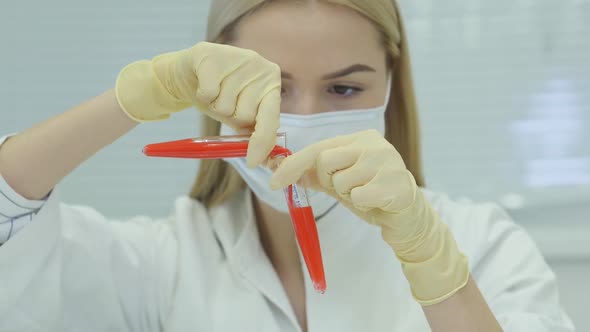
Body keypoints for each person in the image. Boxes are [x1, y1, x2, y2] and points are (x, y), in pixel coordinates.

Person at [0, 0, 575, 331]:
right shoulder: (163, 261)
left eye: (344, 89)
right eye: (269, 88)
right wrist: (138, 94)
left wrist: (434, 263)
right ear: (209, 91)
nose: (298, 122)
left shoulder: (483, 243)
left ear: (390, 88)